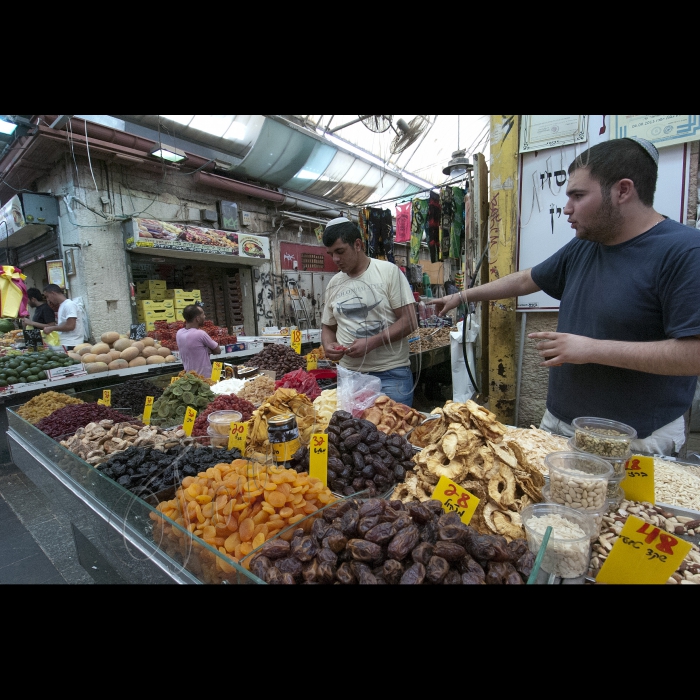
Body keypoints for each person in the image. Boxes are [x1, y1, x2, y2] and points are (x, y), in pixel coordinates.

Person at [430, 136, 700, 456]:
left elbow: (692, 353)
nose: (567, 207)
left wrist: (590, 349)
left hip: (632, 439)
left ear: (623, 191)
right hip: (559, 423)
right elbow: (527, 279)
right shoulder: (585, 244)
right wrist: (462, 296)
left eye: (578, 195)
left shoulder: (684, 252)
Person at [321, 217, 418, 406]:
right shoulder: (334, 284)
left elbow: (410, 320)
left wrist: (372, 342)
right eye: (331, 254)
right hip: (350, 376)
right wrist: (328, 345)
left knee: (393, 431)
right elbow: (328, 326)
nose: (335, 260)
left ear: (357, 244)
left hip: (390, 375)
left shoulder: (388, 272)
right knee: (353, 433)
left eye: (340, 251)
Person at [21, 284, 85, 350]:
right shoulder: (62, 305)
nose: (48, 299)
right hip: (65, 342)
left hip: (72, 344)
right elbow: (64, 324)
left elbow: (70, 326)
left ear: (53, 293)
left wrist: (52, 328)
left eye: (47, 296)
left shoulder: (69, 305)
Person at [176, 304, 220, 378]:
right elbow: (218, 350)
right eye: (203, 314)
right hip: (203, 378)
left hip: (189, 378)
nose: (205, 316)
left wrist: (204, 350)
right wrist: (208, 350)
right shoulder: (200, 334)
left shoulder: (179, 333)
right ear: (198, 318)